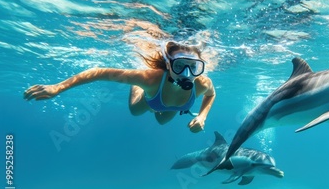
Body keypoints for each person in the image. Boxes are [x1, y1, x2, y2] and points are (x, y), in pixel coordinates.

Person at [24, 41, 216, 133]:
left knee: (162, 122)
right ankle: (137, 87)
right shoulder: (150, 78)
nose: (187, 74)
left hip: (171, 105)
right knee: (135, 111)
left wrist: (202, 115)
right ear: (168, 65)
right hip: (153, 96)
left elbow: (211, 95)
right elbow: (99, 72)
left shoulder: (202, 83)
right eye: (179, 66)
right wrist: (58, 88)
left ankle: (156, 104)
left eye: (194, 67)